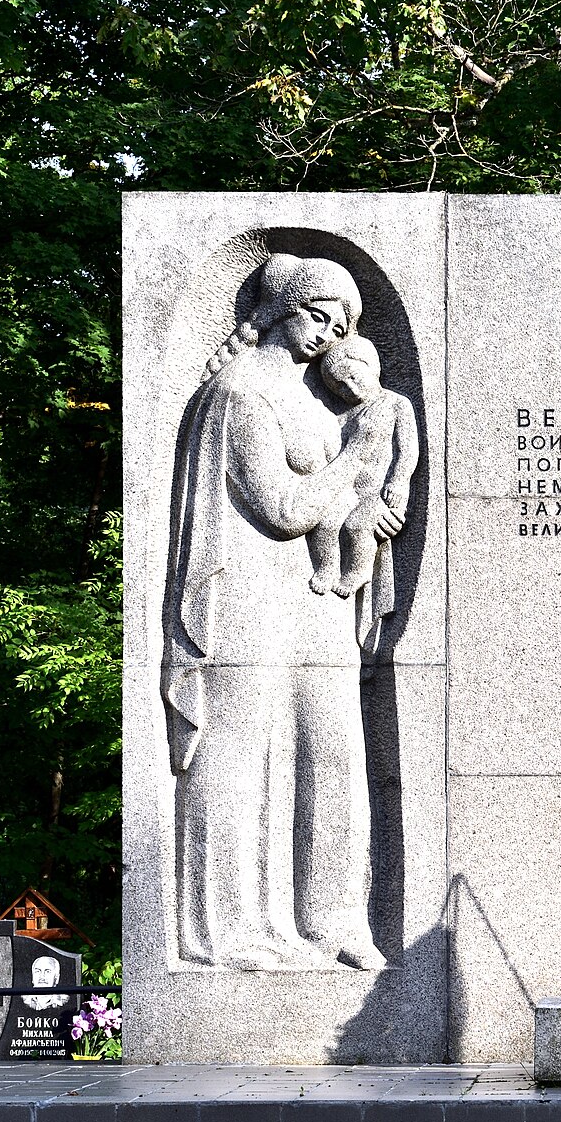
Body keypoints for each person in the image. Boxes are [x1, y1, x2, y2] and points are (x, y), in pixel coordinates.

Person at [162, 252, 392, 971]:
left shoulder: (315, 398)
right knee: (238, 755)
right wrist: (355, 465)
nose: (328, 333)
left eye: (342, 324)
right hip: (247, 594)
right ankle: (227, 929)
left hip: (315, 599)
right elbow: (284, 508)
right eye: (318, 315)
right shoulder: (237, 393)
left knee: (333, 750)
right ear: (280, 310)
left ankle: (332, 920)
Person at [303, 337, 417, 601]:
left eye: (354, 377)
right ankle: (328, 567)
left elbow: (408, 449)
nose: (350, 389)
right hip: (347, 491)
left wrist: (399, 482)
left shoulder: (395, 403)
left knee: (356, 526)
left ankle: (358, 571)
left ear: (370, 366)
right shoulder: (344, 416)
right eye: (341, 387)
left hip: (379, 493)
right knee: (327, 522)